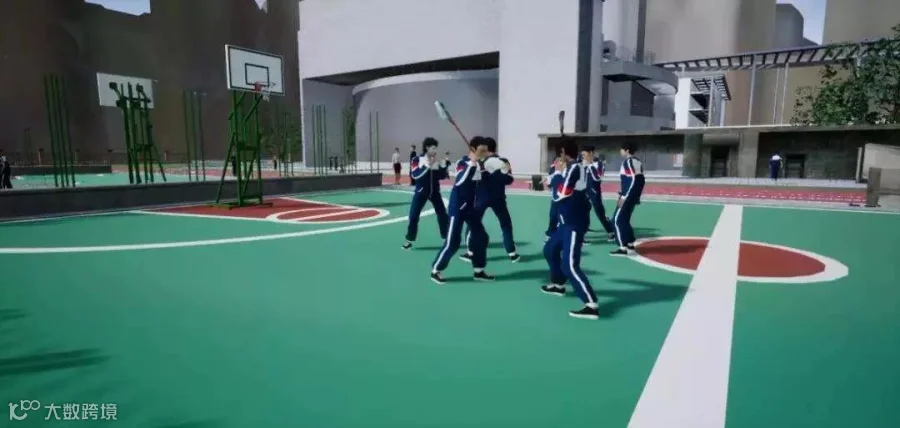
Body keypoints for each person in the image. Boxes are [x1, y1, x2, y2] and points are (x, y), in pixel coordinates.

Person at [540, 138, 600, 320]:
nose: (557, 156)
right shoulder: (568, 168)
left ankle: (591, 304)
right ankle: (558, 284)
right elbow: (554, 187)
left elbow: (562, 193)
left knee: (569, 264)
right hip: (565, 223)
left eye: (559, 153)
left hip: (574, 223)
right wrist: (553, 178)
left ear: (564, 153)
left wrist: (556, 176)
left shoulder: (575, 168)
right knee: (550, 249)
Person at [430, 137, 494, 284]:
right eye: (482, 150)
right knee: (453, 242)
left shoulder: (481, 165)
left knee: (481, 238)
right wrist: (473, 162)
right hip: (457, 208)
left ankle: (478, 270)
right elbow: (460, 180)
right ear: (473, 149)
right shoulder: (462, 163)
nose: (485, 153)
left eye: (486, 151)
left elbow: (484, 183)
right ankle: (436, 270)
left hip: (471, 208)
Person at [460, 137, 519, 263]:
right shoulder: (503, 161)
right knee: (505, 224)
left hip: (481, 198)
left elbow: (471, 178)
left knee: (473, 223)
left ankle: (470, 252)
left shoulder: (478, 161)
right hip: (499, 198)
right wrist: (499, 173)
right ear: (495, 148)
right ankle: (512, 253)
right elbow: (509, 179)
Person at [402, 138, 450, 250]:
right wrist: (427, 166)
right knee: (413, 215)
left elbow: (441, 176)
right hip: (421, 192)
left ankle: (446, 237)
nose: (435, 151)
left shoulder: (436, 160)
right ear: (427, 148)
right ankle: (409, 239)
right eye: (433, 148)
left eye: (436, 148)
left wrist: (444, 168)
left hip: (435, 192)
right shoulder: (417, 159)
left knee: (442, 214)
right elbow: (415, 175)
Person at [610, 142, 645, 256]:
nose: (620, 151)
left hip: (626, 197)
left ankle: (623, 247)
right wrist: (635, 195)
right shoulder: (637, 162)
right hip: (631, 196)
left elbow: (633, 179)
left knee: (616, 220)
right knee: (624, 219)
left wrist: (625, 196)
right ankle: (630, 243)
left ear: (627, 150)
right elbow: (640, 180)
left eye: (622, 149)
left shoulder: (628, 162)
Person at [581, 148, 616, 242]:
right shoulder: (583, 163)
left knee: (600, 212)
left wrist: (590, 166)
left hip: (595, 192)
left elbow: (598, 178)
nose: (583, 157)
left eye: (584, 154)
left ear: (590, 153)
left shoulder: (599, 164)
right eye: (582, 155)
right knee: (582, 211)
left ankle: (611, 232)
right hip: (584, 191)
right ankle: (582, 233)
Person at [544, 154, 566, 241]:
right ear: (556, 164)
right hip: (557, 200)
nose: (563, 165)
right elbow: (549, 183)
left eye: (563, 163)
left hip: (559, 200)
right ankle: (551, 235)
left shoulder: (561, 174)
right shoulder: (557, 175)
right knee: (555, 218)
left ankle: (552, 235)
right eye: (561, 163)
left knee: (557, 219)